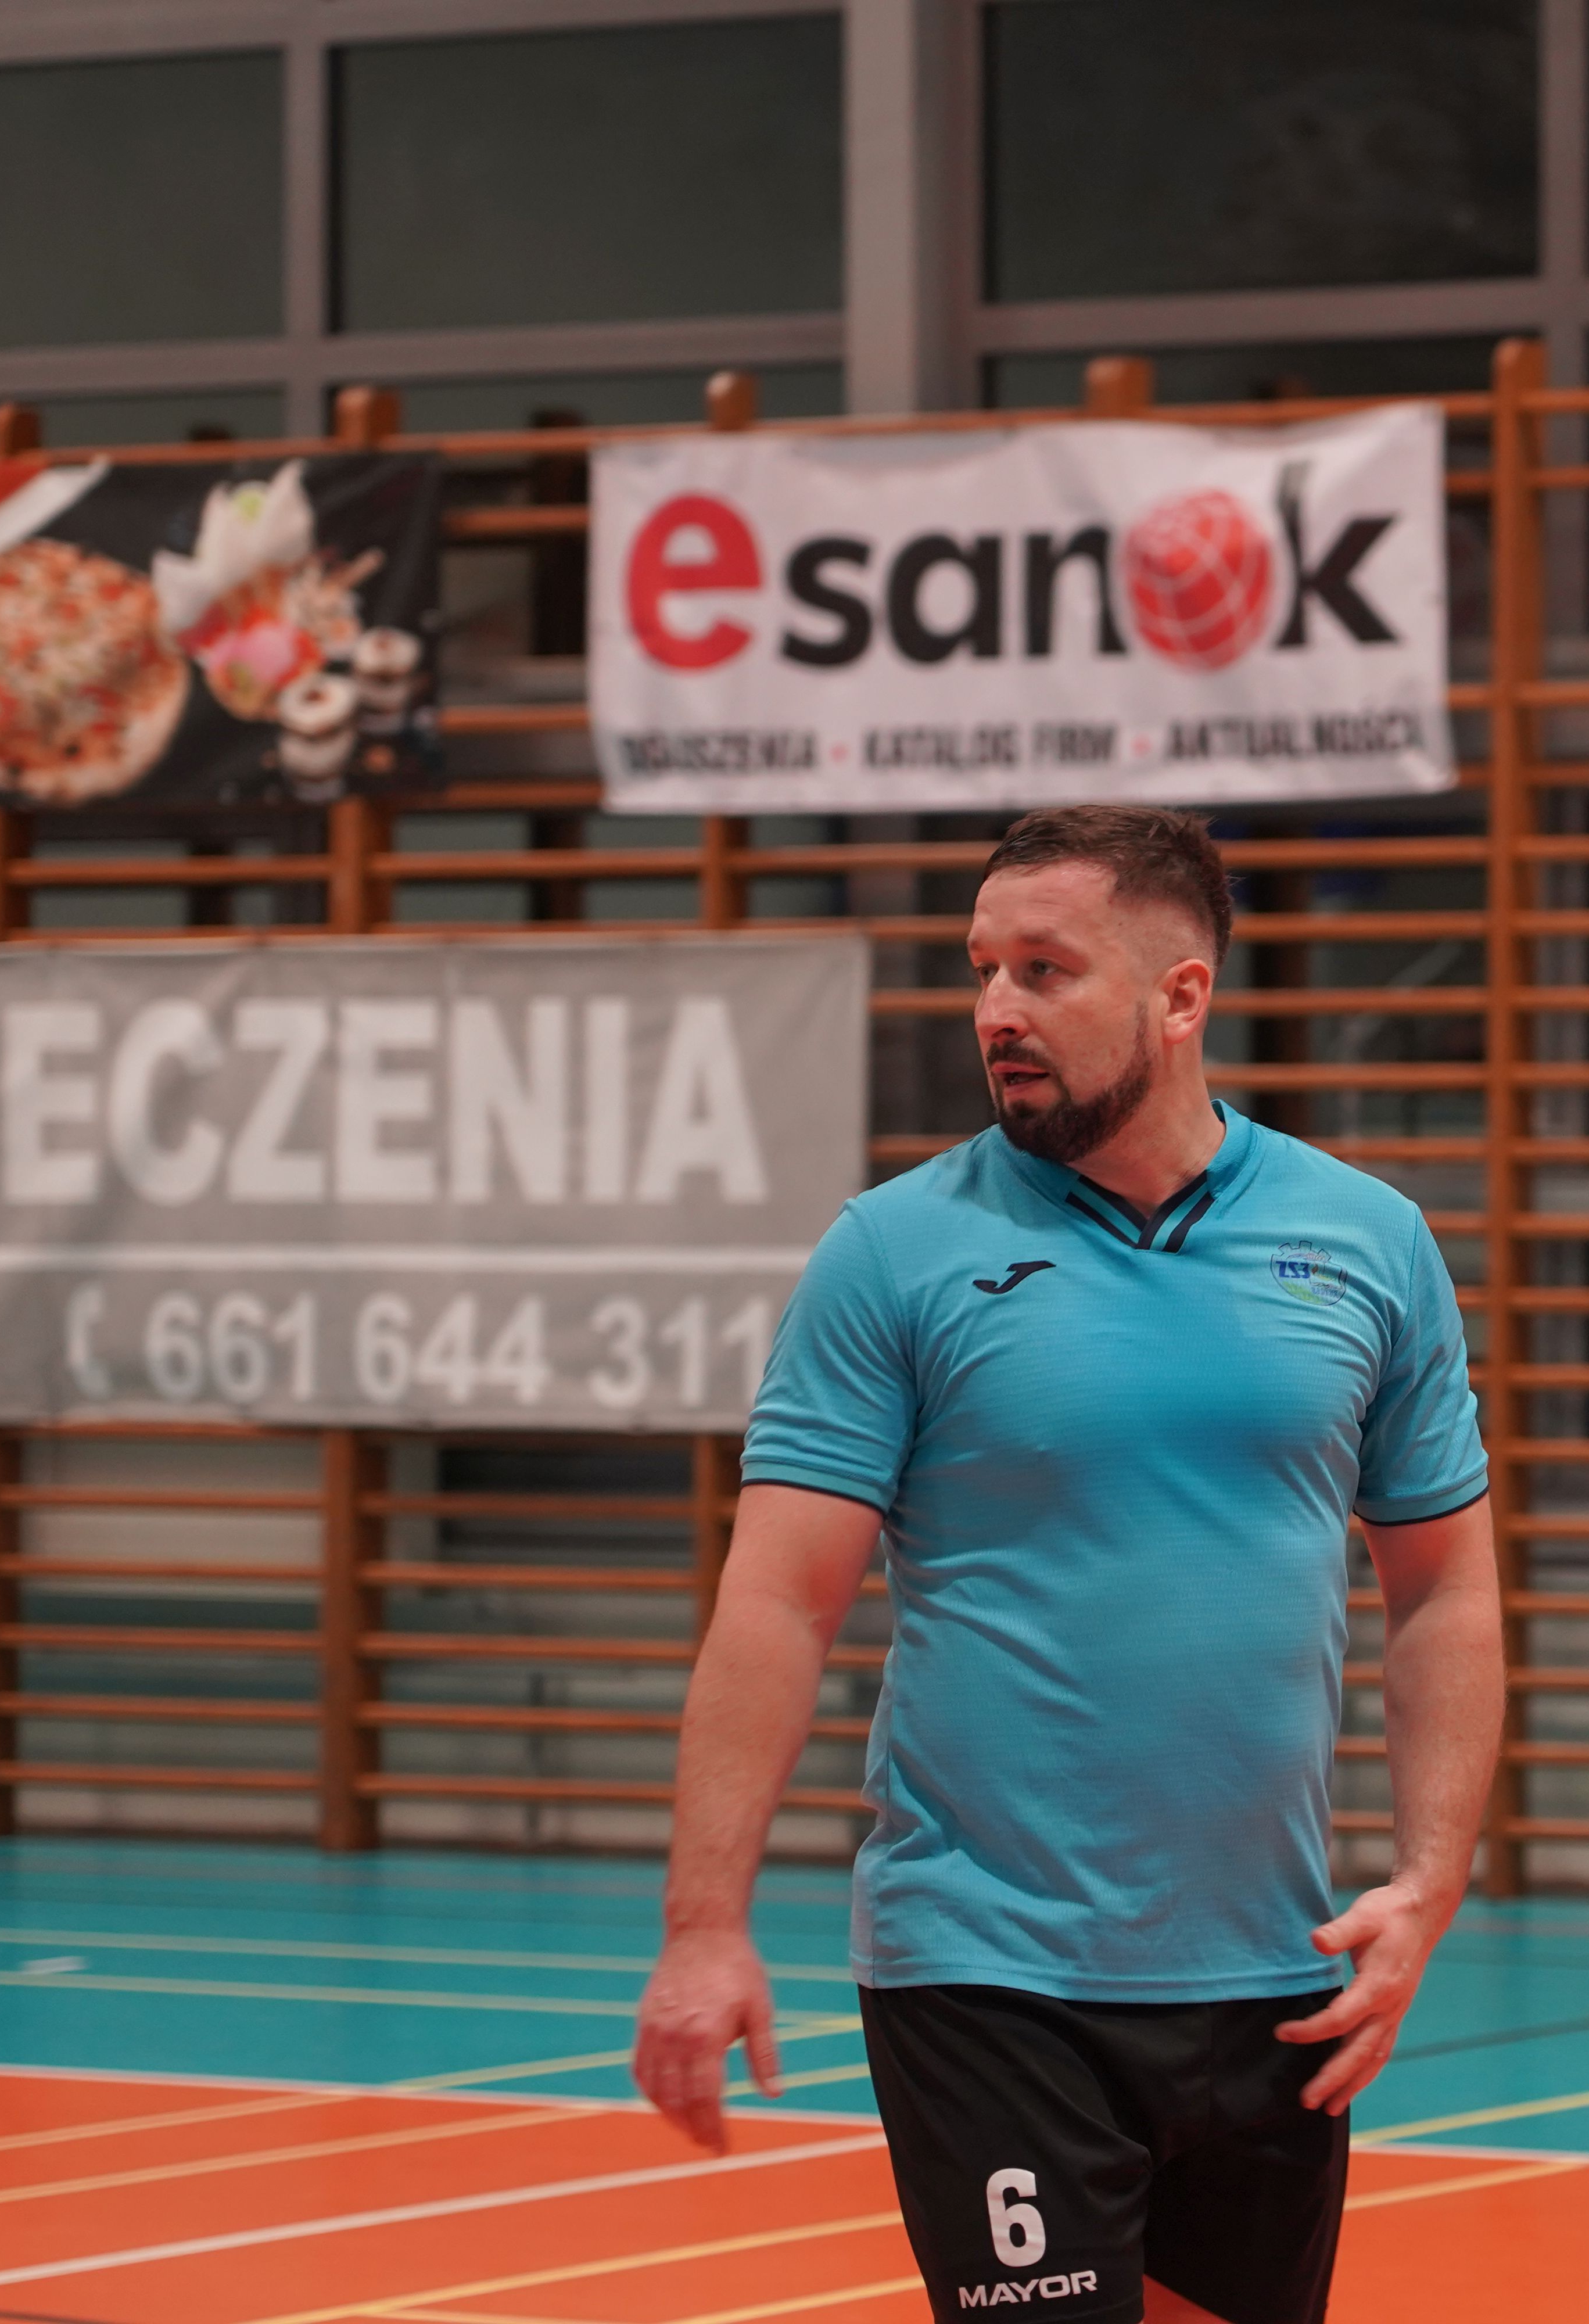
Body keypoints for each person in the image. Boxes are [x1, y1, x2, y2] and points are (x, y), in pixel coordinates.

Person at [633, 804, 1505, 2324]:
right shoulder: (893, 1253)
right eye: (984, 968)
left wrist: (1431, 1883)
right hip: (988, 1971)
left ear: (1181, 996)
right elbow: (777, 1604)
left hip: (1271, 1977)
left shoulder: (1369, 1241)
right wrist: (705, 1926)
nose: (997, 1010)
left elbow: (1445, 1590)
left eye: (1045, 970)